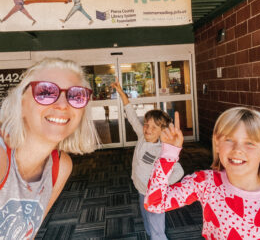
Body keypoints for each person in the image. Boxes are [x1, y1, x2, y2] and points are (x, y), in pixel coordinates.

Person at [144, 107, 260, 239]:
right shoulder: (205, 183)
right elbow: (154, 203)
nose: (238, 149)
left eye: (250, 143)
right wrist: (169, 154)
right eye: (229, 140)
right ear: (217, 145)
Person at [0, 57, 99, 239]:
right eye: (45, 93)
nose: (62, 105)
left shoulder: (60, 167)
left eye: (76, 96)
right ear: (21, 104)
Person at [111, 79, 184, 240]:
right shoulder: (142, 137)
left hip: (153, 194)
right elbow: (131, 115)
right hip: (140, 189)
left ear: (162, 132)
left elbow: (179, 171)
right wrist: (122, 94)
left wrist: (160, 185)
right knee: (146, 220)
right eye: (146, 124)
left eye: (153, 127)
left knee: (157, 227)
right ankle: (151, 235)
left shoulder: (163, 151)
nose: (147, 129)